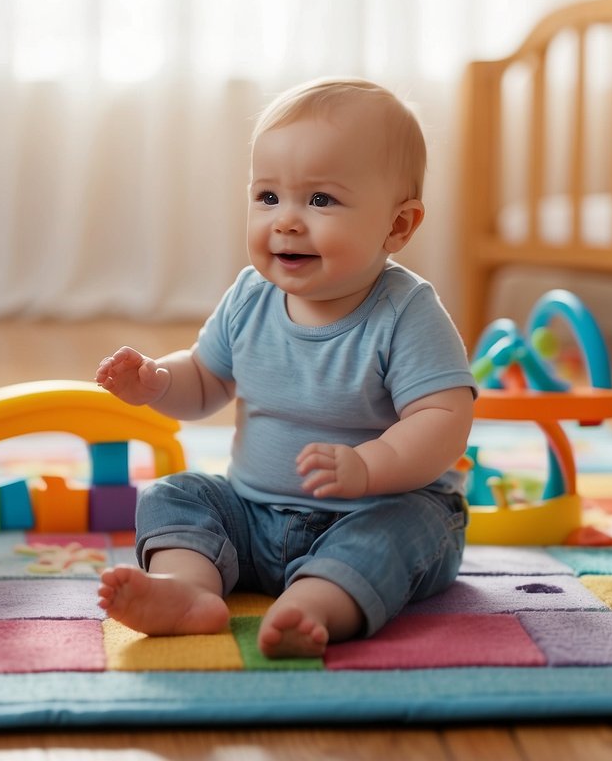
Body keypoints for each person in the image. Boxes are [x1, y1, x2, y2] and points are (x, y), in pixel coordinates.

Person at [95, 77, 477, 659]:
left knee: (405, 530)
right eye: (268, 197)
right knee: (175, 493)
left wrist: (370, 467)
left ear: (398, 226)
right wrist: (159, 382)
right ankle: (189, 591)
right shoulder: (251, 296)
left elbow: (444, 416)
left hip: (372, 509)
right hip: (252, 515)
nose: (287, 221)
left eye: (320, 200)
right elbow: (206, 379)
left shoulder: (406, 312)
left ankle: (317, 605)